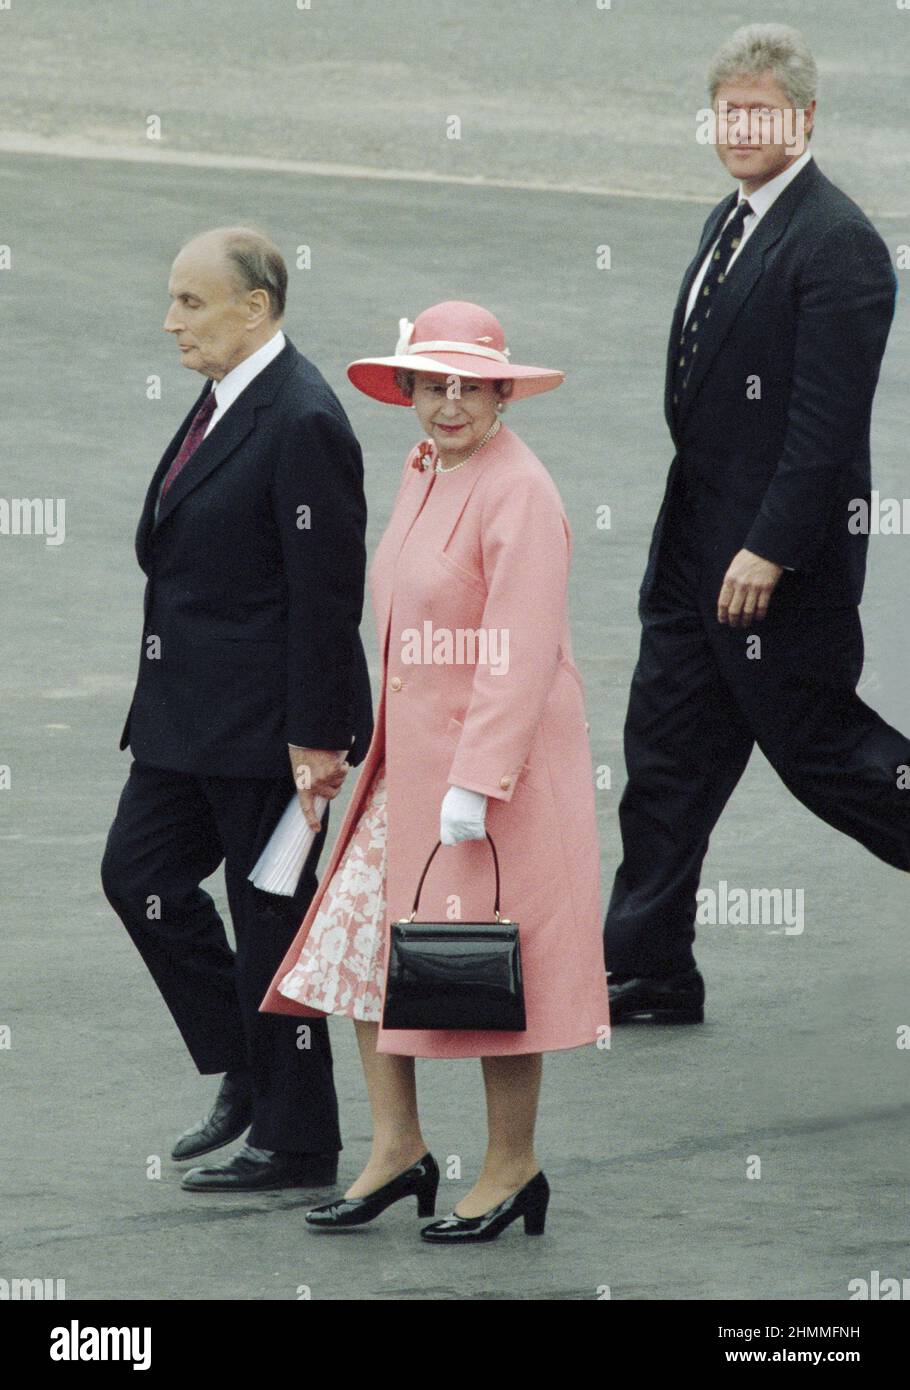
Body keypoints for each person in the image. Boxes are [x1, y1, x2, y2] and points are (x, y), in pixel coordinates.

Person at [261, 301, 610, 1243]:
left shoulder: (520, 490)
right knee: (358, 954)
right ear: (408, 390)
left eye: (470, 386)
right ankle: (397, 1148)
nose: (448, 404)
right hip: (405, 768)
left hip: (489, 779)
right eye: (431, 384)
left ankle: (511, 1167)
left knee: (496, 971)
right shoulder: (426, 467)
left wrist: (477, 779)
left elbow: (522, 648)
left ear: (502, 391)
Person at [604, 24, 909, 1024]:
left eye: (761, 111)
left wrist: (768, 547)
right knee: (664, 758)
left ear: (804, 118)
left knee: (830, 760)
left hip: (776, 570)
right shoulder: (728, 219)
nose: (740, 128)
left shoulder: (839, 245)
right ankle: (646, 967)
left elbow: (823, 431)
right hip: (693, 553)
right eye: (728, 111)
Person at [101, 226, 373, 1190]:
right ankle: (245, 1069)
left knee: (271, 925)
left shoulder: (300, 417)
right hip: (184, 720)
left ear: (254, 308)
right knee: (139, 878)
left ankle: (298, 1141)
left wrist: (318, 735)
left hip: (270, 730)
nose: (170, 321)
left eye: (190, 302)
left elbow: (327, 594)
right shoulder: (226, 399)